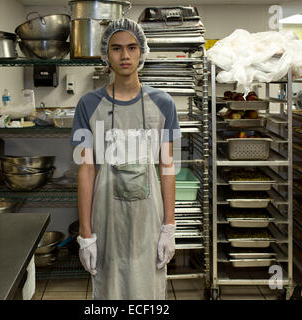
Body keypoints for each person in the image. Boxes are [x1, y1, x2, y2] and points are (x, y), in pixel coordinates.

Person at [70, 18, 182, 300]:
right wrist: (86, 234)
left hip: (149, 220)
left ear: (141, 52)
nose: (125, 55)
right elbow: (86, 170)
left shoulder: (163, 104)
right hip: (107, 220)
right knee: (110, 291)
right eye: (117, 48)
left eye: (132, 47)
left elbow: (167, 167)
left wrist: (169, 226)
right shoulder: (89, 105)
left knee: (148, 292)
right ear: (106, 54)